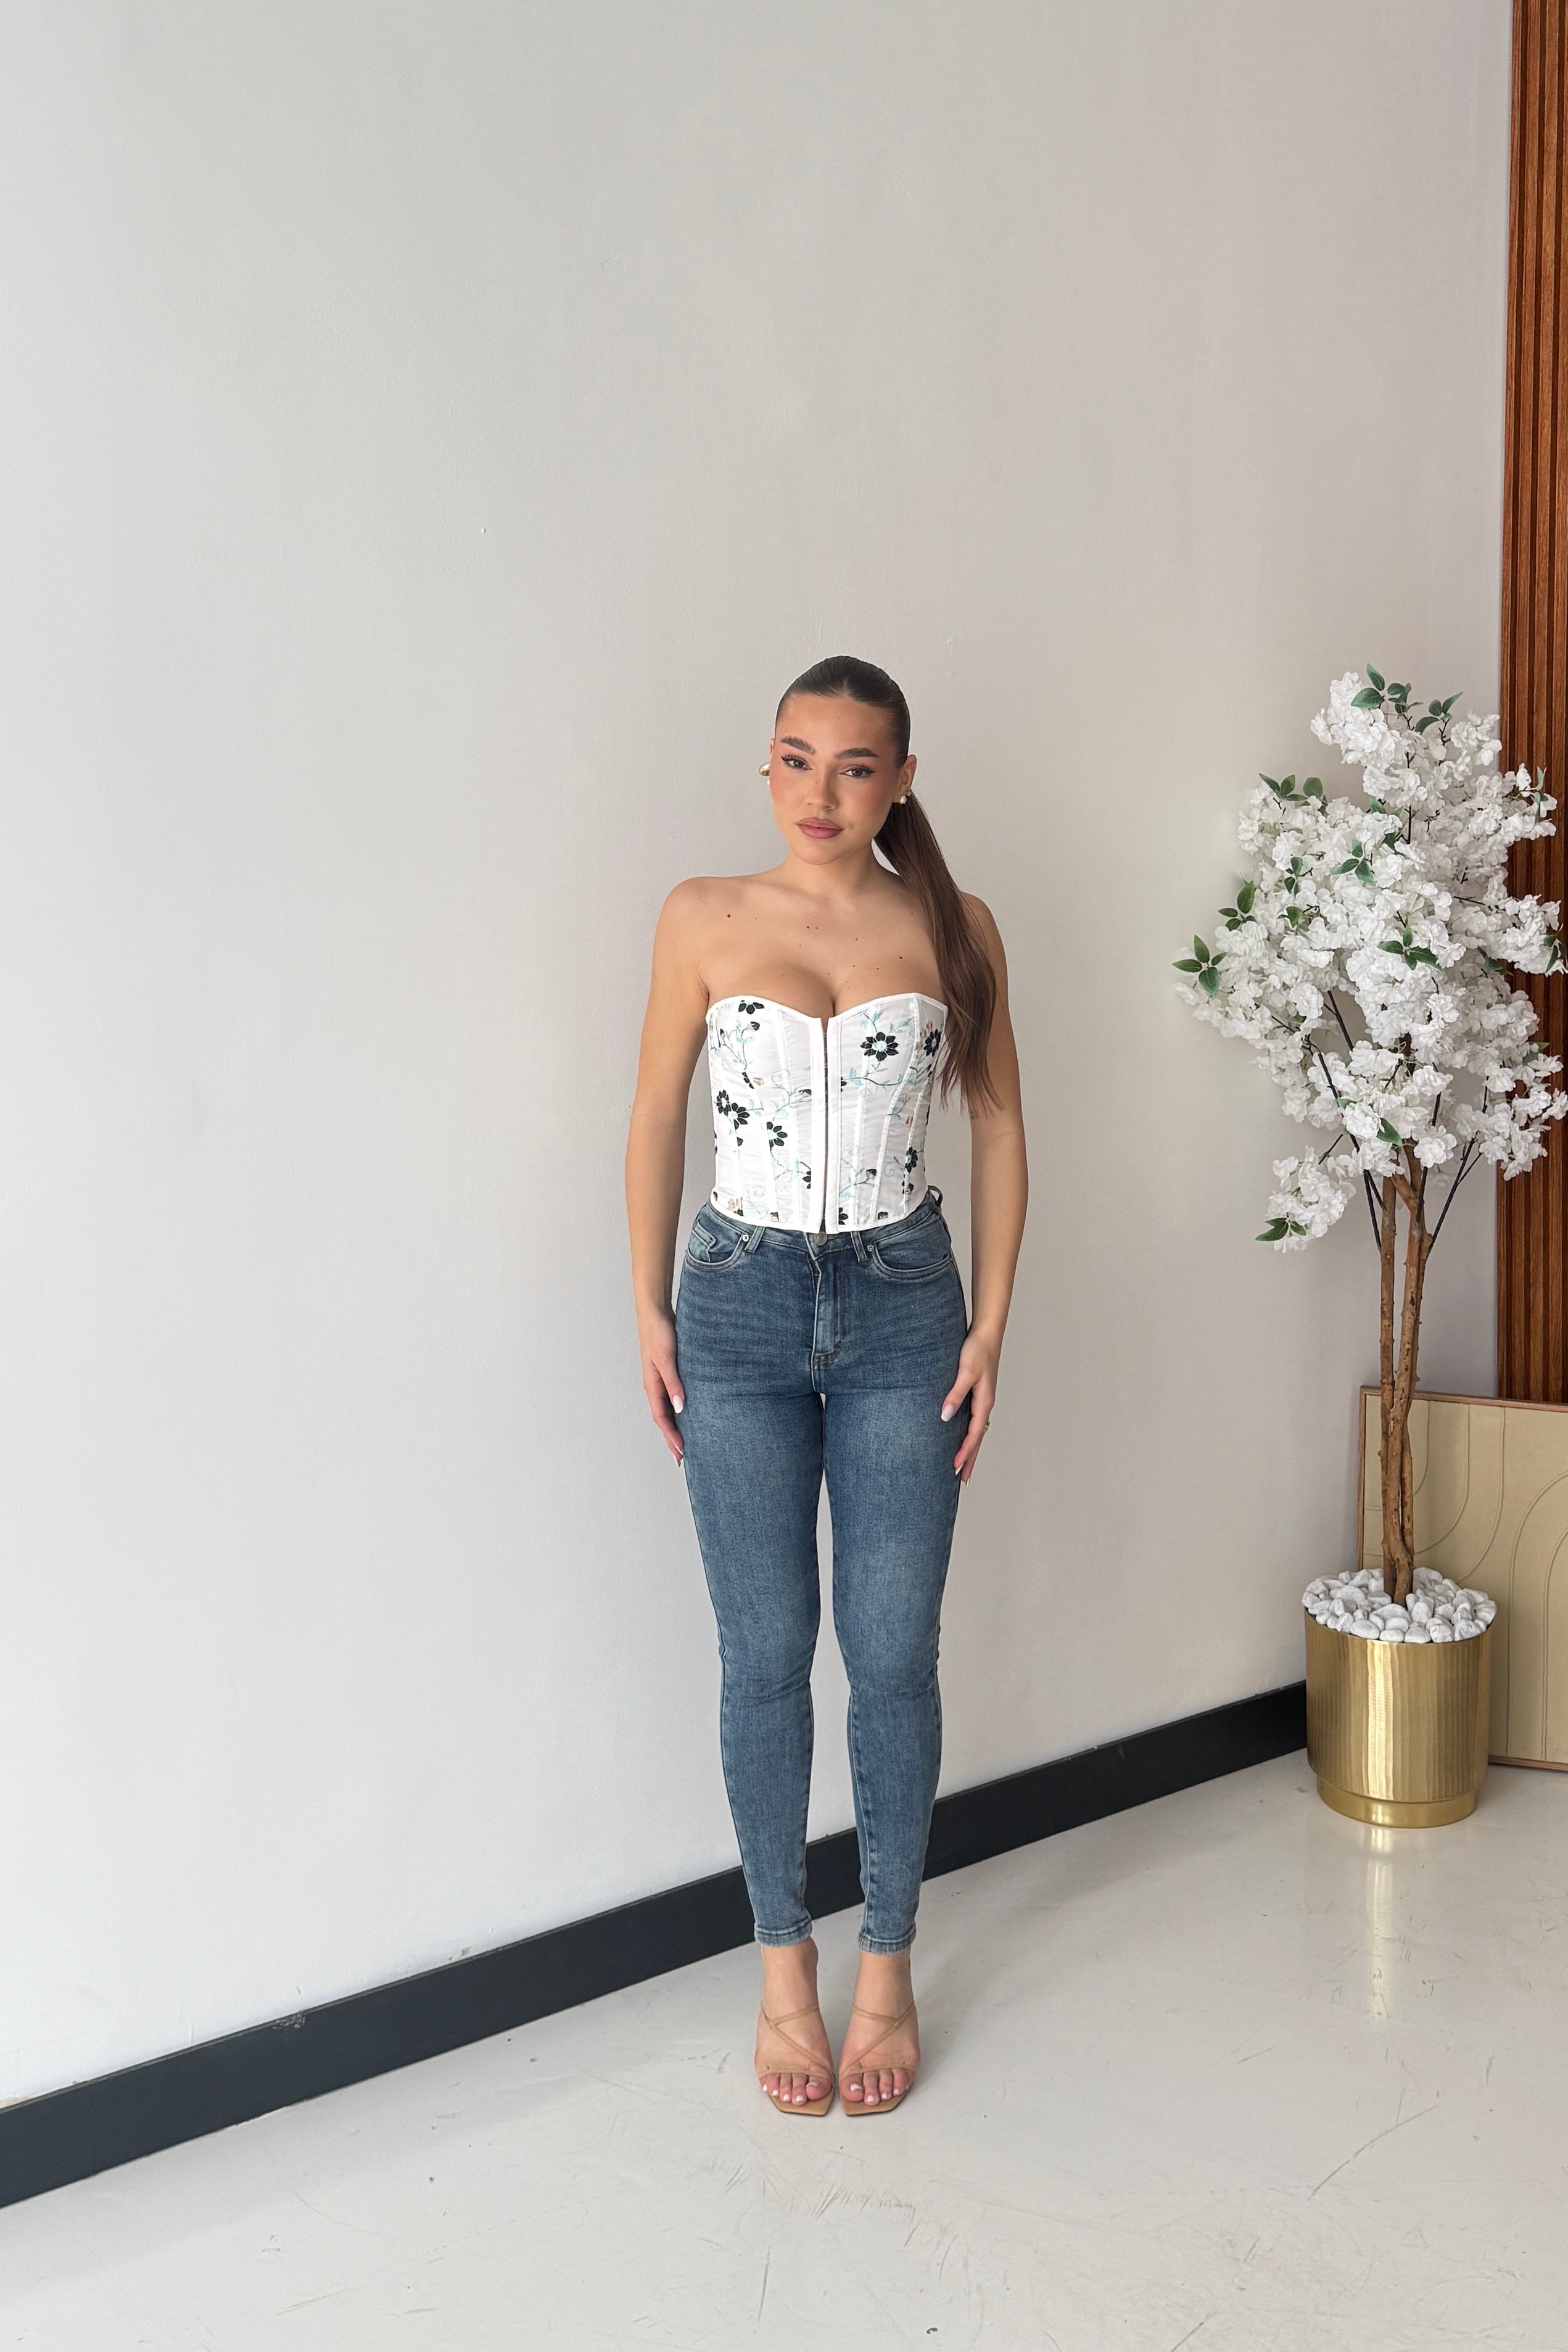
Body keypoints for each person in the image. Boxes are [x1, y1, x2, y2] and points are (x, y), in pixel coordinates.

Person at [624, 654, 1028, 2116]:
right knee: (763, 1654)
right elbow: (655, 1111)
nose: (819, 792)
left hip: (906, 1307)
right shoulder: (702, 916)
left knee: (892, 1648)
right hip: (733, 1306)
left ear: (900, 778)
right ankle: (784, 1970)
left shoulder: (954, 926)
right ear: (766, 764)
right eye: (795, 759)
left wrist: (991, 1326)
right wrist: (648, 1307)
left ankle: (887, 1967)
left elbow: (997, 1126)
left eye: (854, 765)